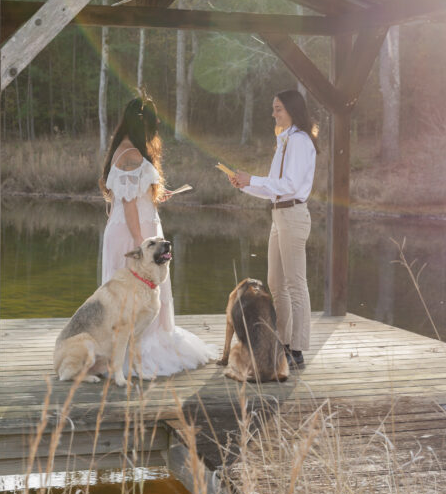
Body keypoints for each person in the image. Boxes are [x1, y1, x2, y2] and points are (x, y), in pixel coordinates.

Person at [101, 95, 216, 378]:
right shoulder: (132, 155)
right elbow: (128, 206)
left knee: (132, 296)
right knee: (137, 296)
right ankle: (140, 350)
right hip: (136, 234)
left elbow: (131, 196)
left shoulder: (123, 150)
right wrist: (143, 248)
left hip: (134, 228)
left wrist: (154, 196)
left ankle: (123, 348)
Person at [229, 90, 318, 369]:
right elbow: (273, 188)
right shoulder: (284, 141)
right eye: (273, 108)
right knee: (276, 283)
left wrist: (252, 178)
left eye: (278, 109)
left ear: (292, 110)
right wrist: (246, 184)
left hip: (293, 215)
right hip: (279, 215)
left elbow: (289, 185)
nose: (273, 114)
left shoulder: (300, 141)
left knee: (295, 283)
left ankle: (298, 350)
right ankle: (283, 344)